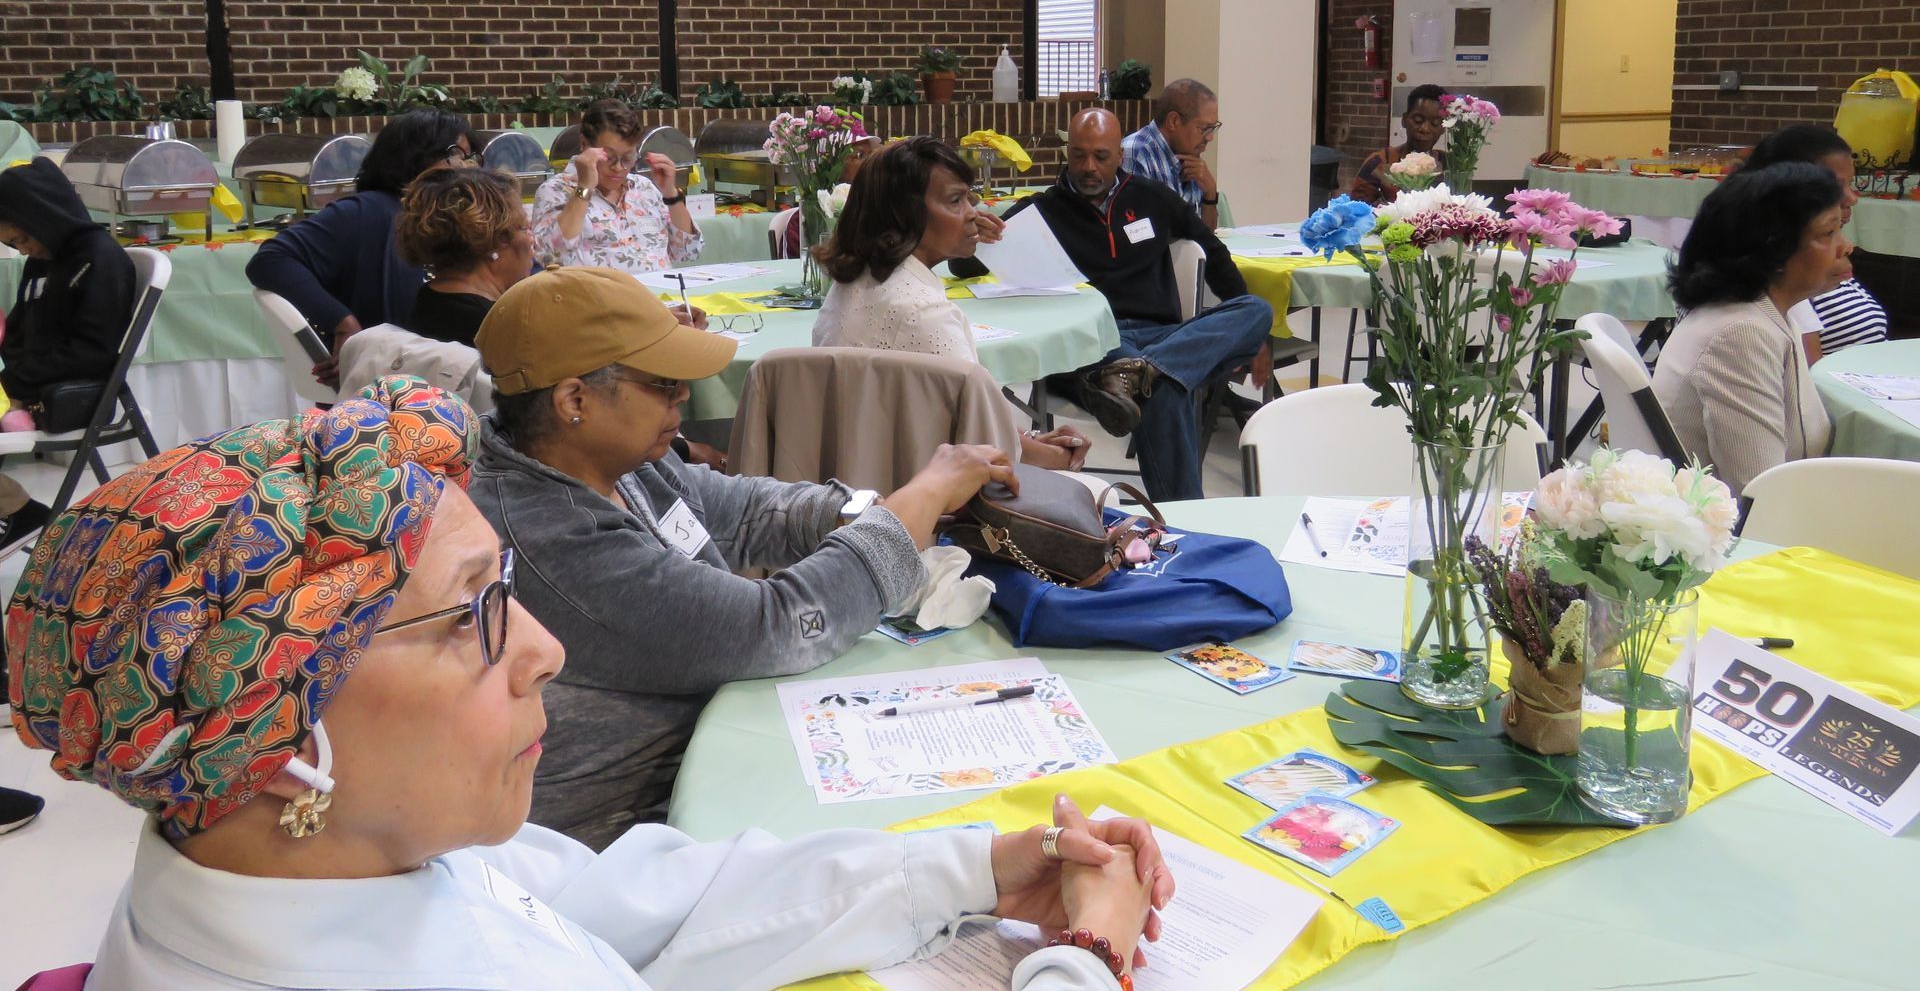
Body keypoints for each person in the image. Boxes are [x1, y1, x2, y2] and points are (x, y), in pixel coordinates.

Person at [5, 377, 1171, 990]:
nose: (543, 649)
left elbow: (632, 906)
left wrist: (970, 865)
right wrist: (1091, 960)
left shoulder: (347, 854)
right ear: (283, 735)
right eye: (474, 615)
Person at [466, 266, 1021, 848]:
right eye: (662, 381)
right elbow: (774, 627)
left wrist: (864, 510)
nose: (684, 394)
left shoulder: (607, 462)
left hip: (710, 753)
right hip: (634, 836)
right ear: (574, 399)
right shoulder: (549, 535)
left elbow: (741, 508)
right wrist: (921, 498)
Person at [954, 109, 1273, 503]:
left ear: (1120, 155)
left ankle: (1139, 372)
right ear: (1067, 153)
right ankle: (1184, 516)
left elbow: (1213, 250)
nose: (1089, 167)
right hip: (1096, 339)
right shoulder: (1045, 209)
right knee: (1166, 391)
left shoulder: (1152, 198)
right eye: (1079, 155)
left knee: (1256, 310)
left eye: (1101, 156)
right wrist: (974, 233)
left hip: (1161, 334)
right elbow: (964, 265)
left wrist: (1257, 337)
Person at [813, 136, 1091, 471]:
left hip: (858, 477)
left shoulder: (852, 282)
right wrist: (1061, 459)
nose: (974, 213)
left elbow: (974, 418)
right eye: (956, 200)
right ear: (906, 214)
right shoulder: (922, 312)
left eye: (969, 198)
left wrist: (1023, 439)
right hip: (925, 492)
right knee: (1095, 496)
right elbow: (987, 444)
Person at [1652, 163, 1848, 495]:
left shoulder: (1767, 311)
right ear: (1774, 247)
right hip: (1736, 538)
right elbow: (1758, 493)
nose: (1845, 246)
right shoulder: (1740, 332)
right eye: (1828, 233)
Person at [246, 107, 475, 384]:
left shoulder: (456, 216)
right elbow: (271, 260)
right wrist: (344, 325)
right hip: (390, 392)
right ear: (414, 154)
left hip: (443, 374)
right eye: (454, 155)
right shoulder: (367, 211)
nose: (464, 168)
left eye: (469, 157)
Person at [0, 157, 137, 427]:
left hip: (67, 389)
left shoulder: (100, 259)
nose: (24, 251)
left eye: (23, 239)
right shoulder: (42, 260)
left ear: (45, 218)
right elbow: (18, 329)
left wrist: (12, 382)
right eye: (12, 245)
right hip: (34, 380)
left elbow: (93, 351)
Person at [1737, 124, 1888, 363]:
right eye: (1836, 186)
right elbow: (1805, 380)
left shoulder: (1818, 258)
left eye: (1852, 183)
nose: (1852, 198)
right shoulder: (1785, 275)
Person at [533, 100, 701, 274]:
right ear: (584, 144)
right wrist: (584, 187)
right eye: (609, 157)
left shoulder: (644, 188)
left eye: (628, 158)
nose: (619, 168)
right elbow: (550, 255)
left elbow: (687, 250)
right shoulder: (556, 190)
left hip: (657, 295)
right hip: (597, 297)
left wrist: (670, 193)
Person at [396, 166, 539, 347]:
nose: (532, 239)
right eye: (525, 227)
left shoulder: (427, 300)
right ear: (499, 239)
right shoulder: (498, 326)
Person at [1121, 79, 1224, 229]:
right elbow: (1136, 234)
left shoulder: (1190, 157)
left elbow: (1207, 240)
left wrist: (1210, 193)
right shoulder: (1136, 153)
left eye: (1212, 128)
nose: (1210, 137)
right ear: (1173, 121)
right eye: (1204, 128)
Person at [784, 132, 882, 257]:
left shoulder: (877, 207)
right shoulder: (806, 220)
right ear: (832, 165)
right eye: (859, 155)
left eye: (871, 154)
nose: (870, 162)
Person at [1350, 82, 1449, 206]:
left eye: (1434, 123)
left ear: (1443, 127)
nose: (1425, 129)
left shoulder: (1448, 164)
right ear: (1404, 120)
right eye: (1418, 120)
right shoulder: (1380, 162)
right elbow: (1356, 212)